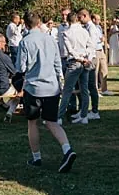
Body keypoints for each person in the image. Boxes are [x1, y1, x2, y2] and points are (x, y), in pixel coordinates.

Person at [17, 12, 76, 172]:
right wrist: (60, 81)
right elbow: (58, 64)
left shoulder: (25, 42)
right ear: (39, 23)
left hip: (33, 87)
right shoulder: (50, 39)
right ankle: (67, 149)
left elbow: (21, 68)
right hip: (52, 86)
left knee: (32, 122)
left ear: (26, 24)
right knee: (51, 121)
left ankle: (36, 157)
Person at [58, 12, 93, 125]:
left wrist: (80, 58)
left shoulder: (67, 33)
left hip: (75, 62)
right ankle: (84, 116)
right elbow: (90, 46)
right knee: (84, 89)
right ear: (77, 19)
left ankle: (59, 117)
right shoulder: (84, 31)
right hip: (85, 61)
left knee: (67, 90)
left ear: (68, 21)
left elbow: (70, 50)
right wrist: (87, 57)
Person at [79, 9, 103, 120]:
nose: (79, 20)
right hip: (88, 57)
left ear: (85, 16)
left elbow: (92, 44)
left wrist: (87, 58)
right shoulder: (86, 27)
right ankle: (84, 109)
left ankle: (94, 111)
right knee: (86, 85)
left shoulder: (92, 28)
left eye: (80, 17)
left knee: (91, 85)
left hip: (91, 58)